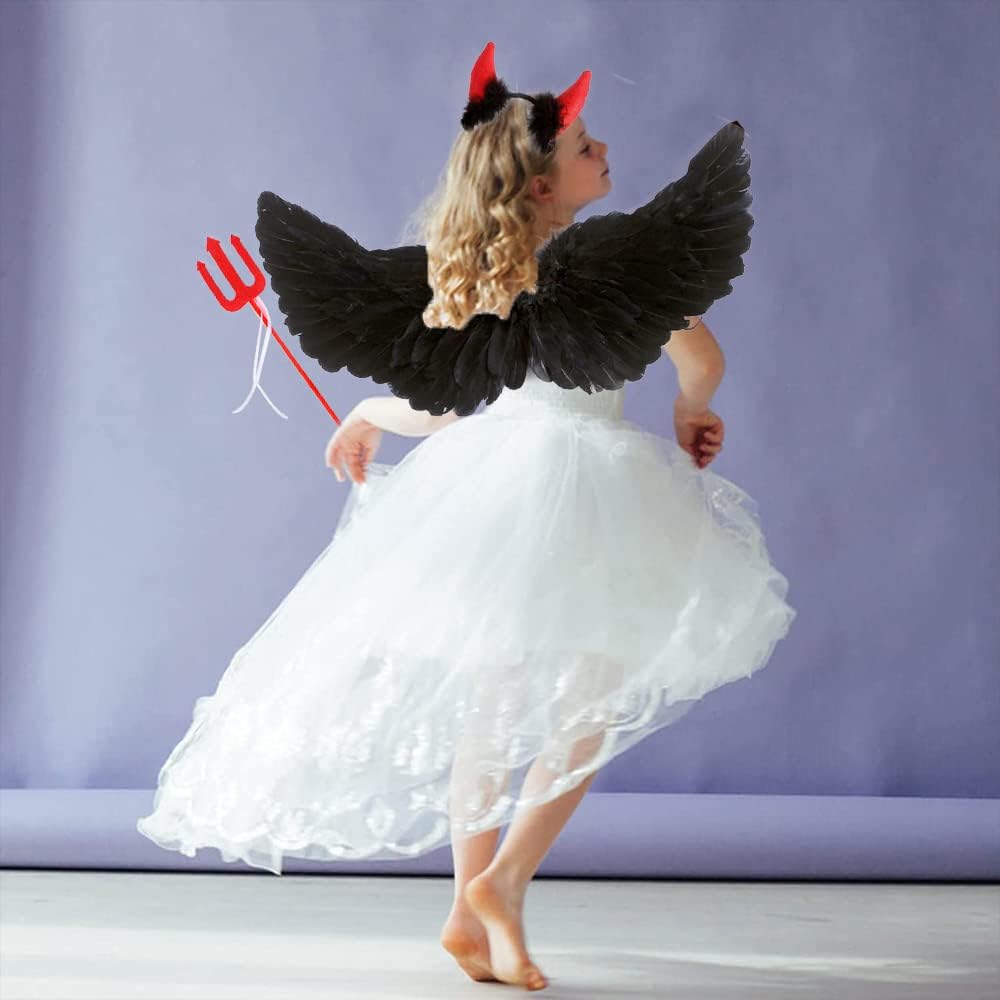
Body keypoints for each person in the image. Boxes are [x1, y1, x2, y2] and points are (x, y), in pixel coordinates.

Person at [138, 43, 797, 992]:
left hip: (494, 485)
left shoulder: (479, 272)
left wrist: (371, 412)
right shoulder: (618, 271)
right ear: (543, 187)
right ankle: (504, 882)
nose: (605, 150)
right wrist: (694, 410)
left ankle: (466, 907)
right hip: (589, 487)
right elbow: (700, 356)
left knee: (495, 705)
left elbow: (453, 404)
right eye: (584, 146)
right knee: (592, 695)